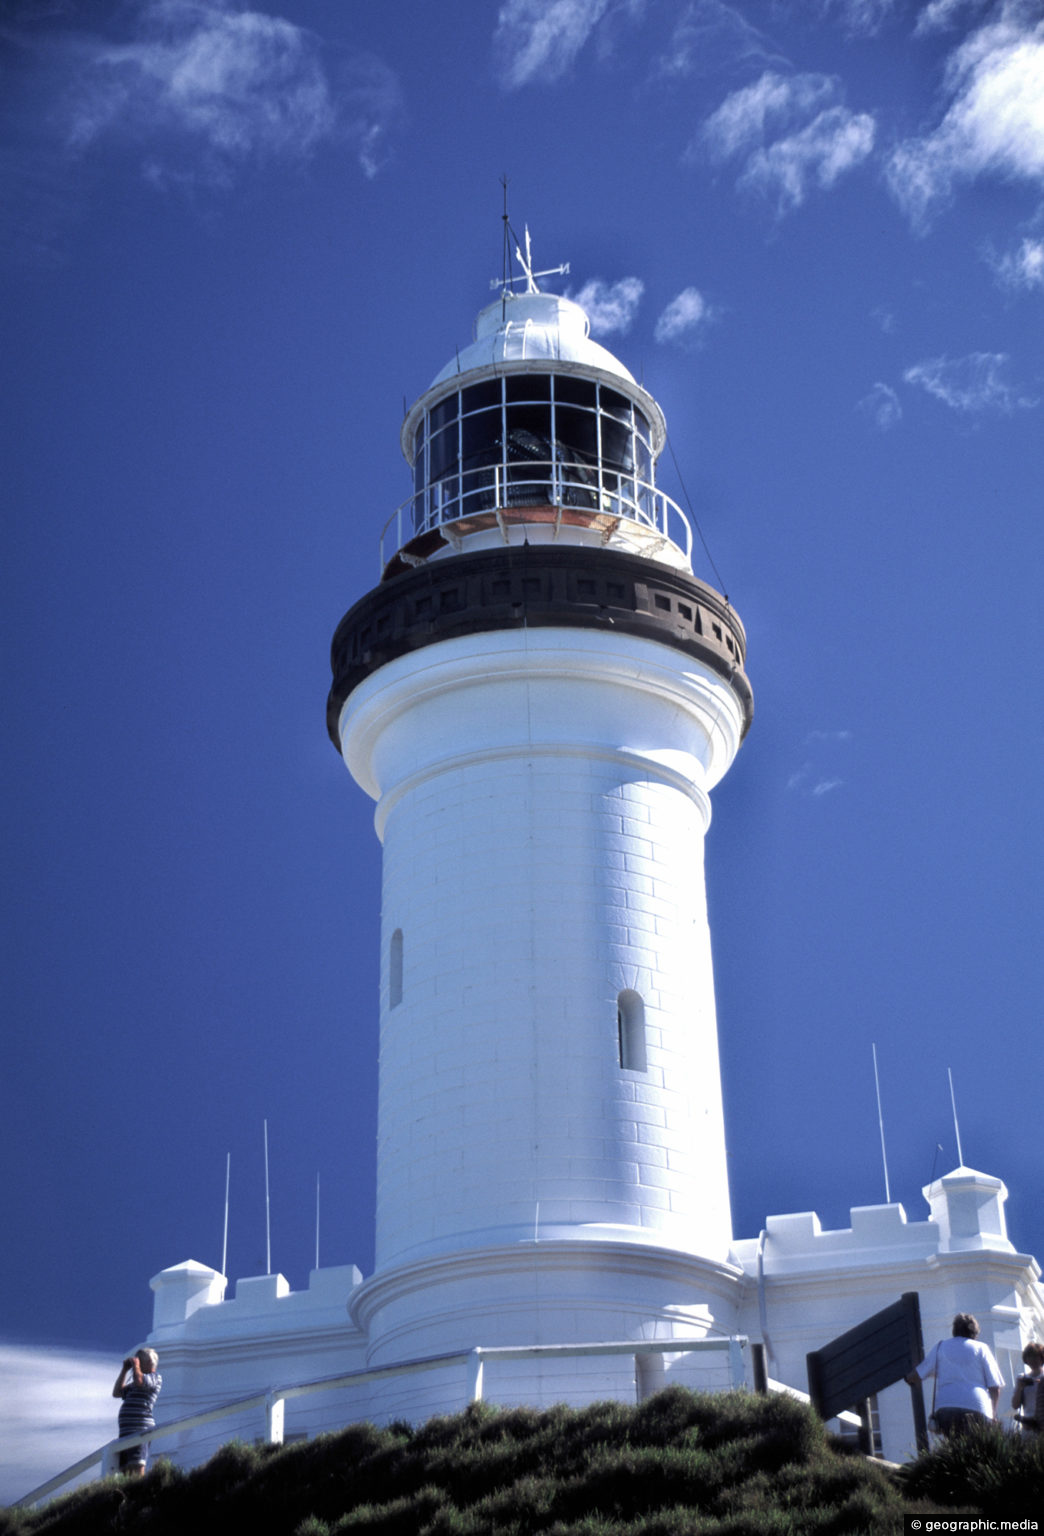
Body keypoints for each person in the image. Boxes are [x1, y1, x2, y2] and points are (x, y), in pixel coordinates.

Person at [905, 1313, 1003, 1439]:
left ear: (954, 1330)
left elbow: (918, 1374)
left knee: (954, 1446)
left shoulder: (941, 1346)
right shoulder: (982, 1348)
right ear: (975, 1333)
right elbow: (995, 1387)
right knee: (974, 1450)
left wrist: (907, 1378)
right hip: (977, 1406)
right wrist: (993, 1414)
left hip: (946, 1406)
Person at [112, 1348, 161, 1474]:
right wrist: (124, 1370)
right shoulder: (134, 1383)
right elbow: (117, 1392)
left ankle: (140, 1490)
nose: (137, 1362)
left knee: (137, 1464)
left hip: (140, 1429)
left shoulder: (154, 1377)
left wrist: (135, 1366)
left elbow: (140, 1381)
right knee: (125, 1470)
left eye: (140, 1360)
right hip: (126, 1431)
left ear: (150, 1363)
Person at [1012, 1341, 1044, 1434]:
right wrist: (1019, 1388)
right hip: (1028, 1425)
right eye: (1030, 1357)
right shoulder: (1022, 1377)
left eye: (1036, 1356)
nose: (1033, 1360)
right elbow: (1015, 1405)